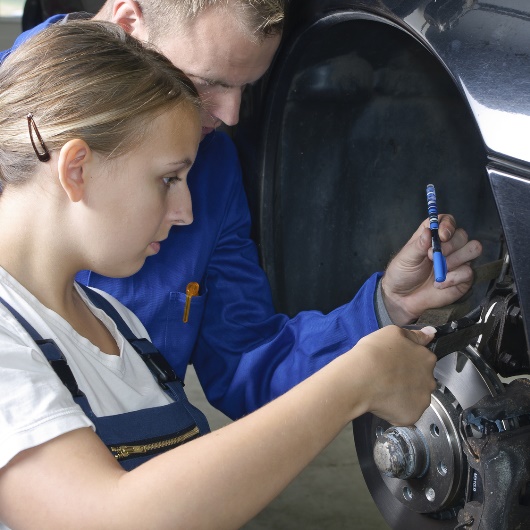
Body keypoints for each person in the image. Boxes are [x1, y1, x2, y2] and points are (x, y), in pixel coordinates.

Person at [0, 20, 439, 529]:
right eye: (168, 179)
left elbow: (247, 361)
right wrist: (352, 384)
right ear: (77, 169)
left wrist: (382, 312)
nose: (187, 211)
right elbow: (107, 517)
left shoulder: (117, 323)